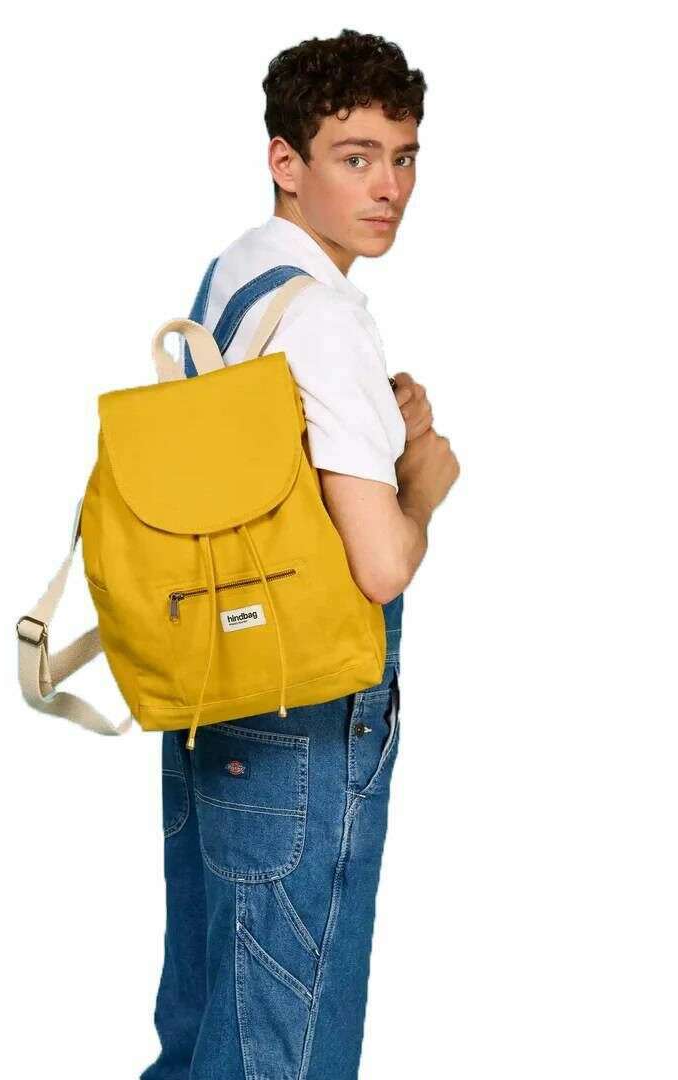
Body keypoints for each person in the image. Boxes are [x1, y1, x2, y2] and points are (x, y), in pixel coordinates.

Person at [140, 28, 460, 1080]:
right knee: (280, 1049)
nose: (389, 188)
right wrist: (422, 481)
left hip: (214, 688)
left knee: (206, 1030)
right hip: (302, 717)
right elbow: (380, 566)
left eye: (403, 157)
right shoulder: (323, 317)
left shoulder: (239, 273)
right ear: (287, 161)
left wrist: (370, 421)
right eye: (354, 157)